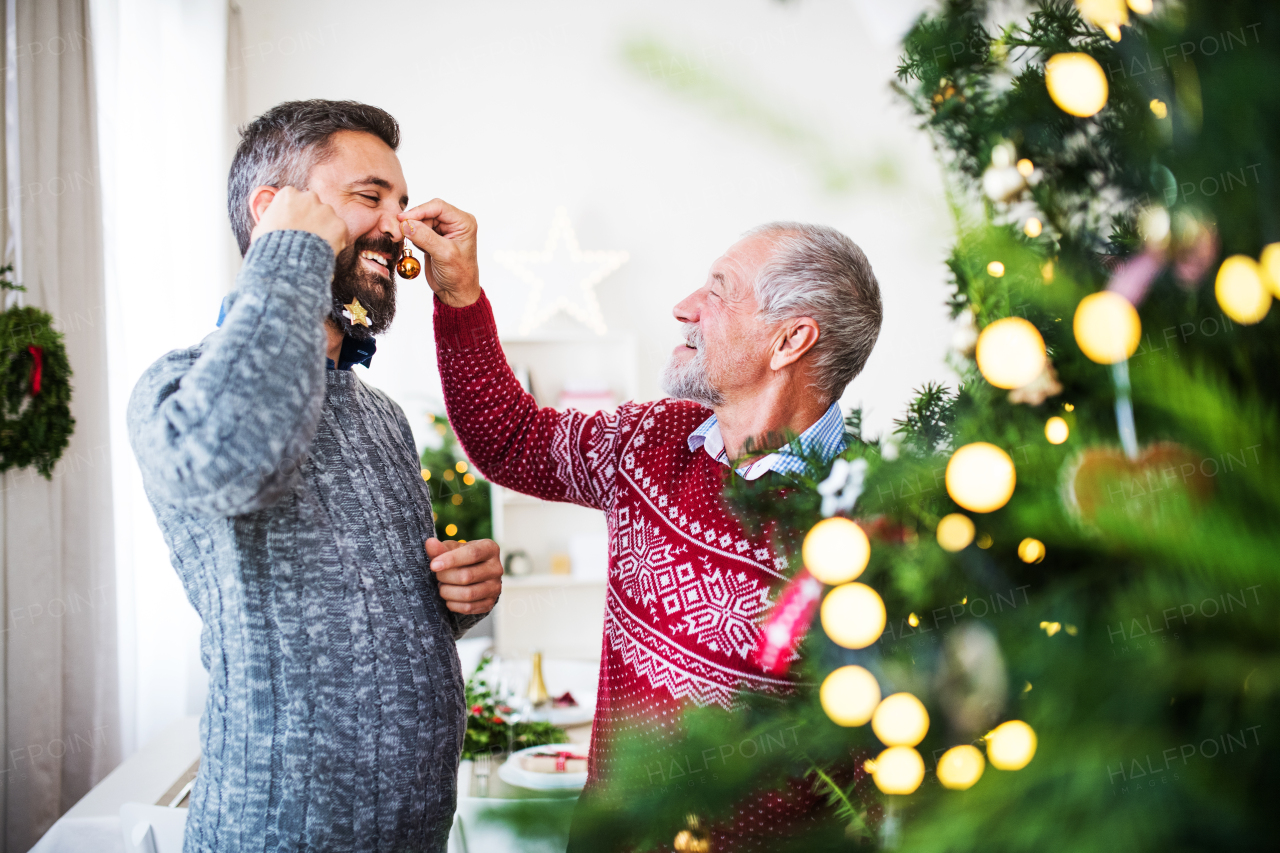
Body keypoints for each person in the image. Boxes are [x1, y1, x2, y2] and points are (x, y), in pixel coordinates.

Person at [407, 202, 883, 849]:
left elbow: (898, 757)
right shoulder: (651, 440)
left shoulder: (870, 523)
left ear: (790, 340)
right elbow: (509, 438)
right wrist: (460, 295)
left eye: (717, 292)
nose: (684, 307)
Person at [127, 101, 502, 853]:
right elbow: (236, 463)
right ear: (275, 214)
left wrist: (453, 601)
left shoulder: (383, 417)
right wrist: (289, 253)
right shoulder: (180, 384)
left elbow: (356, 619)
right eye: (370, 197)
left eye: (400, 202)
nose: (397, 227)